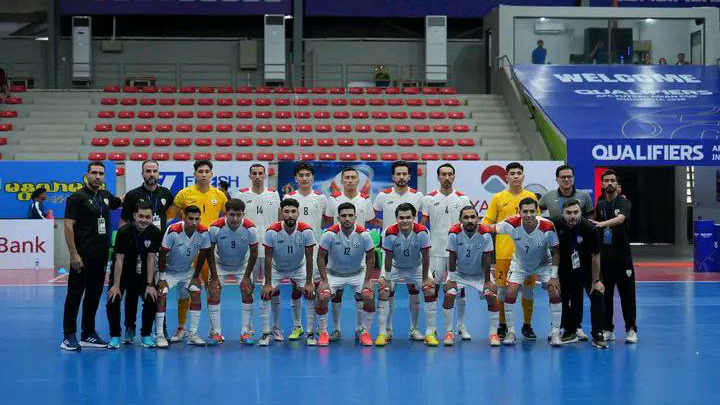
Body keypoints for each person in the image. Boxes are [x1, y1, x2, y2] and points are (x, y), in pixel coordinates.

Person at [61, 161, 123, 351]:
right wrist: (73, 254)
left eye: (101, 173)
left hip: (100, 256)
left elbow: (120, 201)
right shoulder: (77, 198)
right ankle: (68, 336)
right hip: (82, 255)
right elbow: (68, 226)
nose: (97, 176)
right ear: (86, 175)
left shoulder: (105, 195)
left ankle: (88, 333)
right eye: (94, 173)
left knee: (94, 295)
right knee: (75, 294)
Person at [487, 198, 563, 346]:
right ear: (519, 212)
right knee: (510, 291)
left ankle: (555, 332)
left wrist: (553, 276)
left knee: (554, 291)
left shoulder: (547, 226)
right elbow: (489, 228)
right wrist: (467, 225)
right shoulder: (511, 224)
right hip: (520, 265)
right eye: (525, 211)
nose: (529, 215)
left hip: (543, 264)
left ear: (537, 212)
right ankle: (511, 332)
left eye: (532, 211)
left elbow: (556, 251)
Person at [168, 160, 227, 342]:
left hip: (209, 250)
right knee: (185, 291)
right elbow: (171, 216)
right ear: (194, 174)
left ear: (212, 174)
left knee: (212, 289)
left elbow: (228, 218)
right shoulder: (184, 194)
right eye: (200, 171)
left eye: (207, 171)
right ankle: (181, 328)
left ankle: (214, 329)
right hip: (187, 249)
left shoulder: (219, 195)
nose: (203, 174)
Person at [481, 162, 539, 341]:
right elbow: (486, 223)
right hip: (504, 253)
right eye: (512, 173)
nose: (515, 176)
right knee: (502, 291)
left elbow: (538, 223)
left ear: (523, 176)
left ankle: (527, 325)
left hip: (527, 255)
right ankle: (502, 324)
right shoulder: (498, 198)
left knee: (528, 291)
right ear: (506, 177)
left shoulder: (531, 197)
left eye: (519, 173)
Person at [371, 161, 424, 341]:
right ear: (393, 176)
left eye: (404, 174)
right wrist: (387, 228)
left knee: (413, 290)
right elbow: (372, 217)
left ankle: (414, 329)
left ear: (409, 176)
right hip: (391, 251)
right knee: (387, 290)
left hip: (413, 250)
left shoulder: (418, 196)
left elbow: (424, 218)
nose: (401, 177)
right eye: (398, 174)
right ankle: (387, 330)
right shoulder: (383, 195)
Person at [322, 166, 375, 341]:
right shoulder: (334, 199)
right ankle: (336, 329)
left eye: (353, 177)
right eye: (347, 177)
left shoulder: (365, 199)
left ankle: (360, 329)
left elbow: (371, 221)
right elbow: (328, 220)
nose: (350, 180)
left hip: (358, 254)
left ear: (358, 180)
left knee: (362, 295)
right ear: (342, 180)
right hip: (337, 254)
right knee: (335, 295)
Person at [421, 163, 472, 339]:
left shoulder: (463, 199)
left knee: (460, 290)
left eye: (450, 174)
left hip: (457, 254)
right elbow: (423, 226)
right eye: (443, 174)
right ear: (438, 177)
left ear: (454, 176)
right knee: (431, 290)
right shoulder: (429, 199)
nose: (447, 177)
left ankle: (461, 326)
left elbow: (469, 226)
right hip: (435, 252)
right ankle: (431, 329)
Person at [376, 203, 437, 346]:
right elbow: (388, 257)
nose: (405, 221)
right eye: (401, 218)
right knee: (384, 290)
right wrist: (387, 279)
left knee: (429, 290)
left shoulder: (422, 231)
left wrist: (425, 278)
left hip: (417, 266)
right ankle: (384, 332)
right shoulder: (389, 232)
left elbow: (426, 255)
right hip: (395, 266)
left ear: (414, 218)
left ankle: (428, 333)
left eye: (408, 217)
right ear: (396, 218)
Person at [551, 199, 607, 349]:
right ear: (562, 213)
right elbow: (536, 220)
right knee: (564, 297)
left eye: (576, 212)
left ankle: (598, 334)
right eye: (568, 213)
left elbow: (596, 256)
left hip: (587, 268)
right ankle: (570, 330)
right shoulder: (555, 224)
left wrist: (596, 280)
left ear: (581, 212)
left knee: (597, 294)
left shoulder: (590, 229)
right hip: (565, 267)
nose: (572, 216)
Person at [105, 201, 163, 349]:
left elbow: (151, 259)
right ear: (134, 215)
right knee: (113, 298)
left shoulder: (155, 232)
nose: (144, 220)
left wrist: (150, 284)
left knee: (151, 297)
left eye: (148, 217)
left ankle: (146, 334)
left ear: (152, 218)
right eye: (141, 216)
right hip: (122, 271)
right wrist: (116, 285)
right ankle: (115, 335)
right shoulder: (124, 232)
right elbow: (119, 259)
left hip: (143, 272)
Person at [259, 198, 316, 346]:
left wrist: (309, 283)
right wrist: (268, 284)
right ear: (281, 213)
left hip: (299, 268)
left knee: (310, 294)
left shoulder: (306, 231)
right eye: (286, 211)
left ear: (298, 213)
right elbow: (268, 258)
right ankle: (267, 332)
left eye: (293, 211)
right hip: (276, 268)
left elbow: (309, 257)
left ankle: (309, 333)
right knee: (265, 294)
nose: (290, 215)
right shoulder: (272, 231)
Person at [154, 205, 213, 348]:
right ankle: (160, 335)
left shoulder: (203, 232)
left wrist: (196, 276)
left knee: (196, 291)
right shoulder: (173, 230)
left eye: (197, 219)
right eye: (190, 219)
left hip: (187, 271)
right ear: (183, 217)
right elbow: (162, 254)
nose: (194, 222)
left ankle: (192, 334)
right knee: (162, 294)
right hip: (168, 270)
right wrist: (162, 278)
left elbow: (203, 254)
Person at [283, 163, 328, 346]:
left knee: (313, 289)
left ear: (312, 177)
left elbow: (327, 219)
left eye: (307, 175)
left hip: (315, 249)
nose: (304, 178)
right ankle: (297, 326)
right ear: (295, 178)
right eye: (300, 175)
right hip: (295, 248)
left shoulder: (321, 198)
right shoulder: (289, 197)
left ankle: (313, 329)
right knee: (295, 288)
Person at [592, 169, 637, 344]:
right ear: (602, 184)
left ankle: (631, 329)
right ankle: (608, 329)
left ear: (617, 184)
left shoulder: (624, 202)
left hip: (623, 258)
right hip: (605, 258)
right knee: (606, 295)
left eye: (612, 180)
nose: (609, 183)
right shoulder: (600, 204)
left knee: (627, 294)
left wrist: (602, 224)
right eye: (606, 180)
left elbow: (620, 219)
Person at [442, 206, 499, 347]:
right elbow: (452, 256)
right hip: (459, 273)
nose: (470, 220)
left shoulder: (485, 233)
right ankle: (449, 332)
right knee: (449, 294)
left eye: (473, 217)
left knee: (492, 296)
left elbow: (487, 257)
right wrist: (452, 279)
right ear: (460, 219)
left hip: (480, 274)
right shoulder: (454, 232)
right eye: (466, 217)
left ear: (477, 218)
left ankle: (493, 333)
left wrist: (487, 281)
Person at [208, 199, 258, 345]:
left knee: (247, 290)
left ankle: (245, 332)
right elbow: (209, 252)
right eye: (231, 215)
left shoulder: (250, 229)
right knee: (214, 291)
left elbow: (254, 253)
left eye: (238, 215)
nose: (235, 219)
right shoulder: (215, 228)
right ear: (226, 214)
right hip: (220, 264)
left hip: (242, 265)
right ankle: (216, 333)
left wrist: (247, 277)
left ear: (243, 214)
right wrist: (214, 277)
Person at [235, 164, 281, 285]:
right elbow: (235, 220)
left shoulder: (274, 194)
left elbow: (280, 218)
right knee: (247, 284)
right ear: (250, 176)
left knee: (271, 284)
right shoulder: (241, 194)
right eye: (254, 174)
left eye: (260, 173)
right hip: (248, 246)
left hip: (270, 245)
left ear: (265, 176)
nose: (257, 176)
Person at [121, 159, 173, 231]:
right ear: (142, 174)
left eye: (155, 171)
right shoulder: (132, 195)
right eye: (148, 171)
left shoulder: (166, 192)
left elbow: (172, 214)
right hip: (139, 236)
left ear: (158, 174)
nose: (152, 174)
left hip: (161, 236)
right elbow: (124, 221)